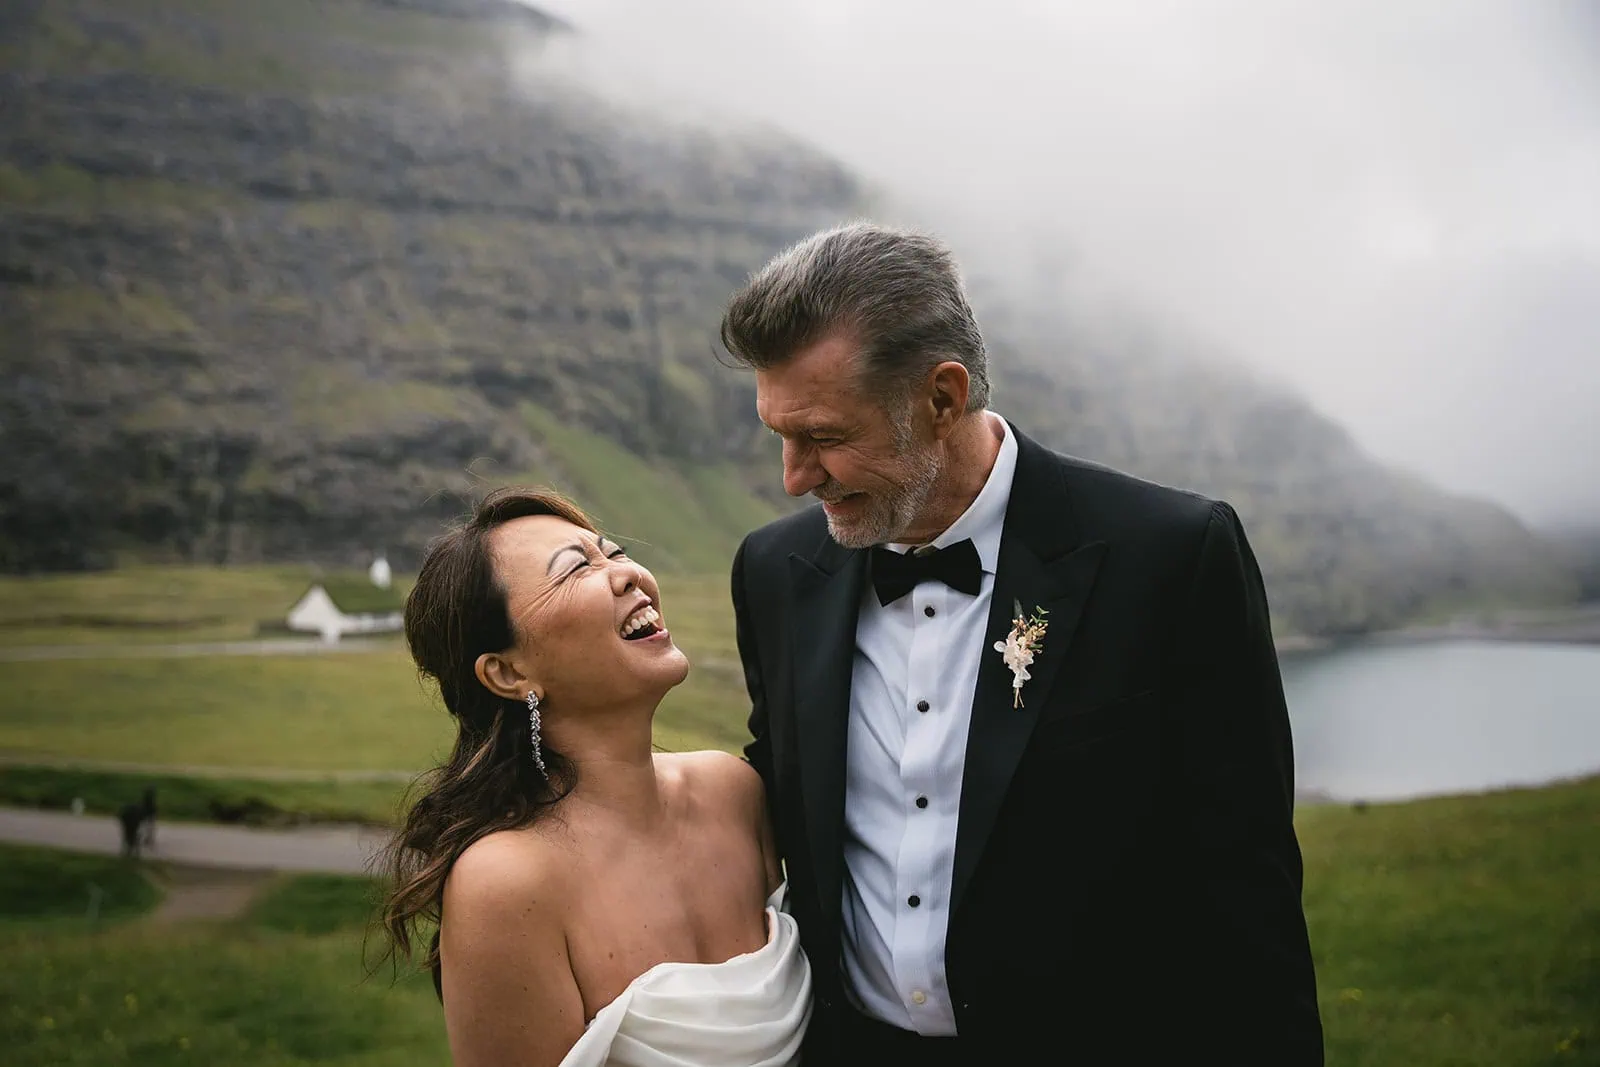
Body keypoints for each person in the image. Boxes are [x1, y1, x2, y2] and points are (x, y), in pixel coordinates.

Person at [722, 222, 1324, 1064]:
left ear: (942, 398)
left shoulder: (1173, 556)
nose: (793, 476)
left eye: (824, 437)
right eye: (779, 435)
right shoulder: (774, 573)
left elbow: (1247, 885)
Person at [378, 488, 811, 1067]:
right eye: (576, 568)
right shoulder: (506, 883)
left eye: (615, 552)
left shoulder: (735, 792)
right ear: (508, 673)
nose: (629, 574)